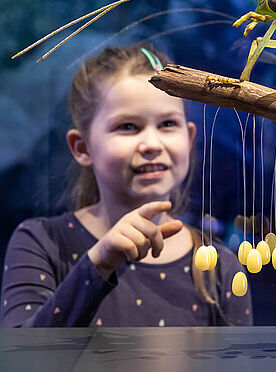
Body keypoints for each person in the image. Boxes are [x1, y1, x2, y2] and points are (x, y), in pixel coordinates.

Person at [1, 43, 252, 327]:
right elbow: (19, 357)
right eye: (127, 127)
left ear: (190, 137)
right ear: (82, 147)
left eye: (168, 124)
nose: (151, 144)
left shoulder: (219, 265)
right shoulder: (42, 241)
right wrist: (98, 264)